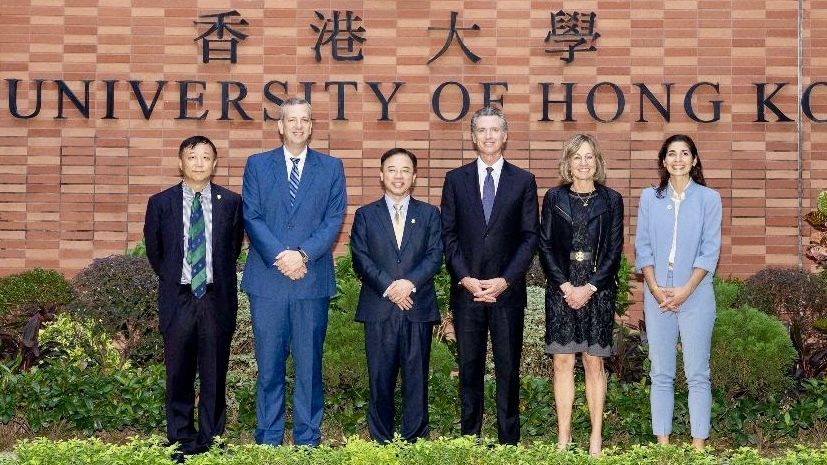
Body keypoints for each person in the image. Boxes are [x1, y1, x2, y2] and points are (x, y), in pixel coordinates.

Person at [241, 97, 347, 446]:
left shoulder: (331, 167)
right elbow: (252, 216)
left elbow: (334, 219)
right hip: (268, 281)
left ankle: (307, 438)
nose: (299, 125)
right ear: (280, 125)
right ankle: (268, 437)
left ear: (312, 125)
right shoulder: (257, 165)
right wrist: (281, 255)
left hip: (310, 280)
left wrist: (302, 255)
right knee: (269, 367)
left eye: (305, 119)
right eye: (292, 120)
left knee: (309, 367)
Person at [440, 106, 539, 445]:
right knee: (470, 369)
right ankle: (470, 437)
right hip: (467, 292)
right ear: (473, 136)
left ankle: (508, 441)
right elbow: (448, 235)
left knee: (508, 371)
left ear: (505, 135)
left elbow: (530, 237)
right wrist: (465, 278)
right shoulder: (456, 180)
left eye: (494, 129)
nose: (488, 136)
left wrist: (504, 280)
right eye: (481, 130)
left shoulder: (523, 181)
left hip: (506, 293)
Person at [144, 135, 244, 458]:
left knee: (215, 373)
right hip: (179, 298)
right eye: (192, 157)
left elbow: (232, 249)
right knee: (178, 372)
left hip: (216, 298)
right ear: (180, 163)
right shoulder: (160, 203)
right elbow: (155, 252)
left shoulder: (231, 203)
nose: (199, 163)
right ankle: (180, 440)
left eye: (205, 157)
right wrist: (179, 279)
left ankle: (211, 440)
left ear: (215, 164)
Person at [538, 134, 624, 456]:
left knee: (593, 363)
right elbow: (544, 245)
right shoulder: (554, 197)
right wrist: (564, 286)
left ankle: (595, 439)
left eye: (589, 157)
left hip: (597, 289)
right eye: (577, 157)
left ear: (597, 162)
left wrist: (589, 288)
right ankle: (563, 439)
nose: (584, 163)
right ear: (568, 162)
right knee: (562, 361)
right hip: (561, 288)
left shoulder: (612, 199)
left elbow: (614, 250)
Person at [634, 134, 722, 449]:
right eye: (672, 153)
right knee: (661, 372)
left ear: (694, 160)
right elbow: (642, 247)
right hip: (657, 294)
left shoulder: (709, 199)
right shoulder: (649, 197)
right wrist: (656, 290)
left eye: (685, 153)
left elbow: (709, 251)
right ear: (663, 161)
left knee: (698, 372)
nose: (678, 159)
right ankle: (663, 444)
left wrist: (684, 291)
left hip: (695, 293)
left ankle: (698, 445)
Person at [350, 148, 443, 443]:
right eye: (392, 169)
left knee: (416, 378)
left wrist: (408, 284)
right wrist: (391, 288)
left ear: (414, 176)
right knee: (380, 378)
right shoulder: (365, 215)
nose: (398, 176)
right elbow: (360, 257)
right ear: (381, 175)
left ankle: (414, 441)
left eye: (405, 170)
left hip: (417, 306)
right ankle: (381, 441)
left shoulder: (429, 214)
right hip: (379, 307)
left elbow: (435, 255)